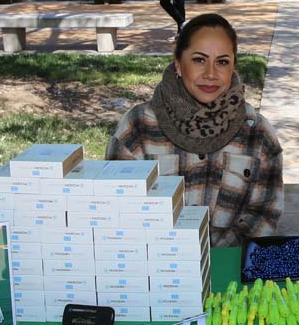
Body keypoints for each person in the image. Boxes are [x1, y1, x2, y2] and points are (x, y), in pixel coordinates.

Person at [106, 13, 283, 247]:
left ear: (233, 66)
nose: (211, 74)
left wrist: (220, 258)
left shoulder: (258, 134)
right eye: (199, 60)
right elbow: (117, 210)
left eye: (222, 62)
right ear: (178, 64)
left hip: (228, 262)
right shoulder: (137, 128)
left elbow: (264, 213)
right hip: (155, 259)